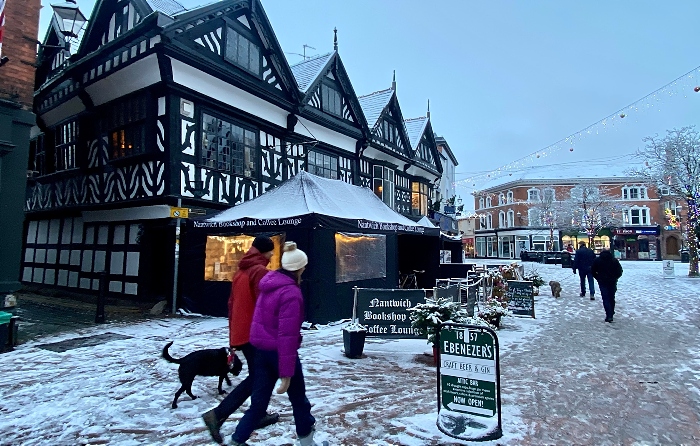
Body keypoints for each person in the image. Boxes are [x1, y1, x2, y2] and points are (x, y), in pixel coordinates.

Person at [230, 241, 329, 446]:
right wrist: (286, 372)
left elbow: (258, 321)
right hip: (281, 354)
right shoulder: (291, 294)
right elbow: (287, 335)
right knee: (299, 400)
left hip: (261, 351)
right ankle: (307, 442)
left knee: (258, 403)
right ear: (299, 268)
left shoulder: (268, 284)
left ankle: (237, 440)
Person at [202, 236, 279, 444]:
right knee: (259, 376)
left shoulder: (241, 271)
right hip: (255, 334)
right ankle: (217, 415)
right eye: (271, 251)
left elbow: (231, 303)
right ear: (264, 252)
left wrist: (234, 335)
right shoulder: (259, 272)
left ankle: (258, 412)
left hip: (242, 331)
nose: (273, 255)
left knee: (260, 375)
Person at [591, 249, 623, 322]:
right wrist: (615, 277)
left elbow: (593, 270)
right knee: (611, 297)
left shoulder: (597, 260)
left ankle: (609, 314)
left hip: (602, 281)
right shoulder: (614, 260)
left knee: (605, 298)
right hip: (612, 281)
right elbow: (620, 271)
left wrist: (598, 277)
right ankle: (611, 311)